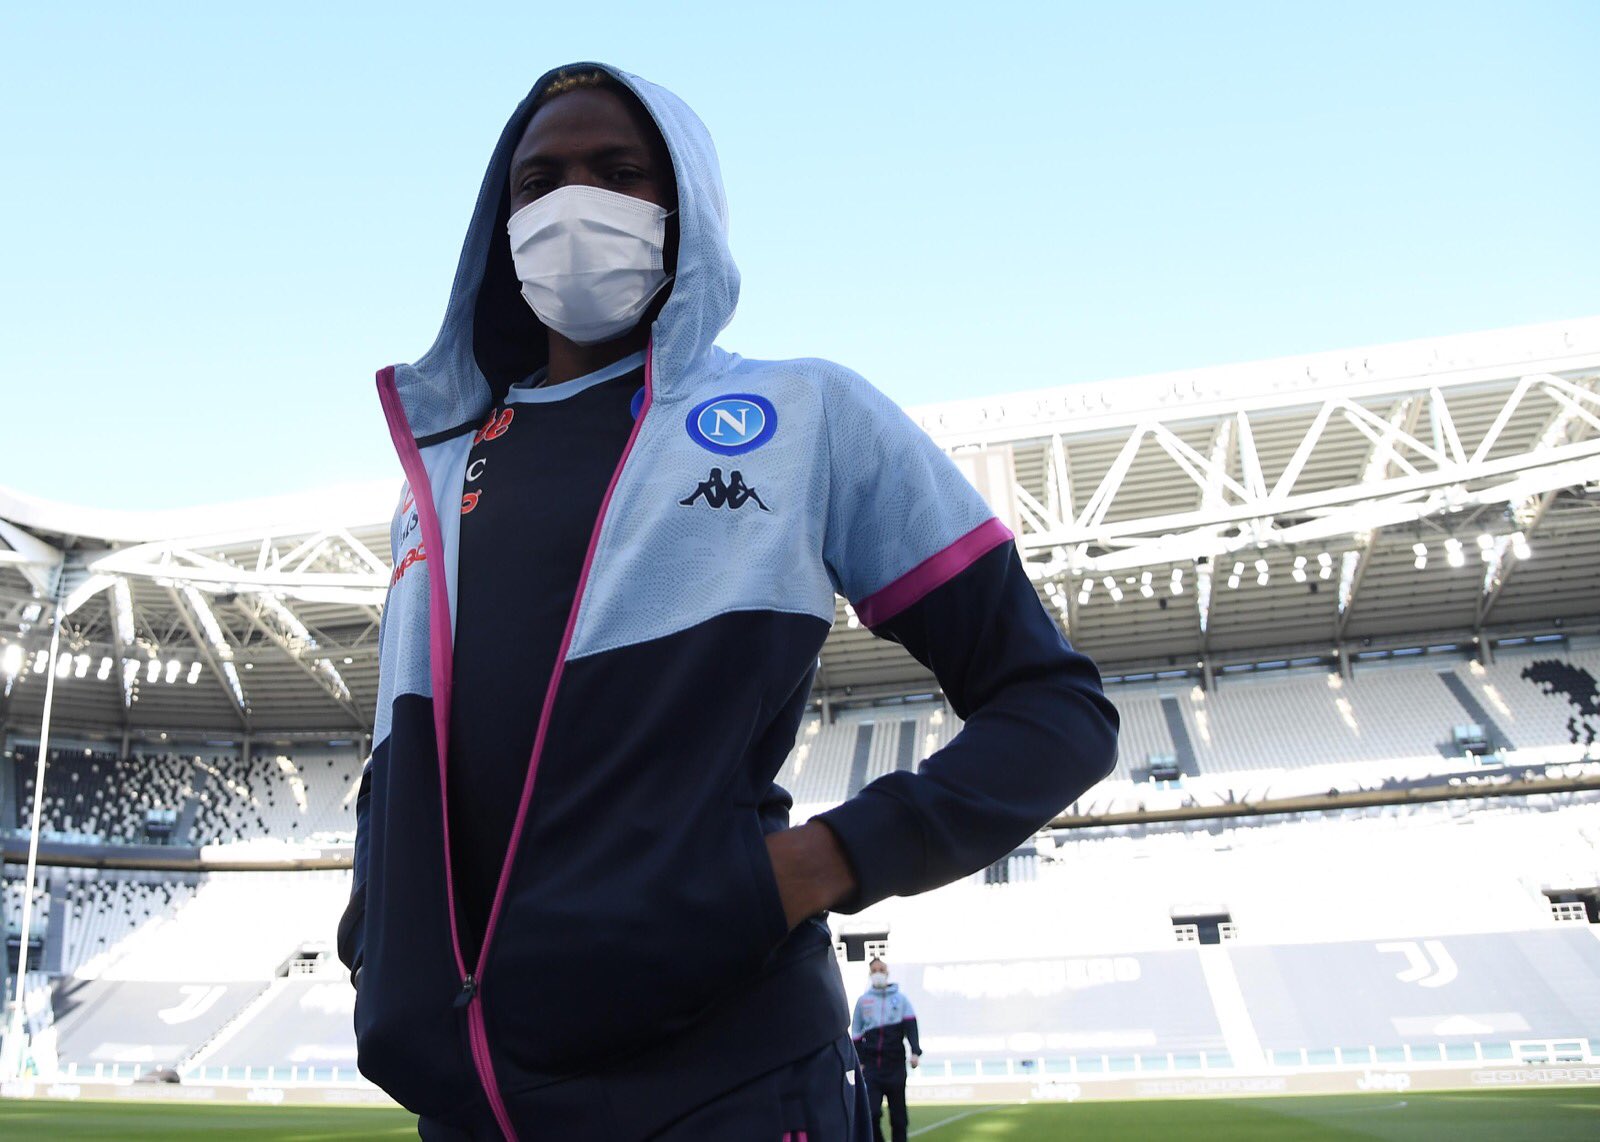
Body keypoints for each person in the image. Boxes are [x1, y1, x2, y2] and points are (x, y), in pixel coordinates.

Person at [338, 61, 1119, 1142]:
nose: (575, 203)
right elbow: (402, 757)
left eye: (619, 172)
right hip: (469, 1108)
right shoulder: (432, 477)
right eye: (539, 181)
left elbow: (1055, 707)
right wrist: (376, 939)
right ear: (499, 223)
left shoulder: (805, 414)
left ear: (685, 209)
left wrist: (821, 863)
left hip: (727, 1084)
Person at [852, 958, 921, 1142]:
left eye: (881, 969)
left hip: (895, 1066)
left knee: (899, 1119)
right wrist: (860, 1061)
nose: (878, 973)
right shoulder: (863, 1001)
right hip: (872, 1068)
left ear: (887, 972)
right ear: (870, 974)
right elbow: (856, 1033)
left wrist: (915, 1052)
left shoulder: (901, 999)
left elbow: (911, 1027)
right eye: (874, 970)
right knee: (871, 1113)